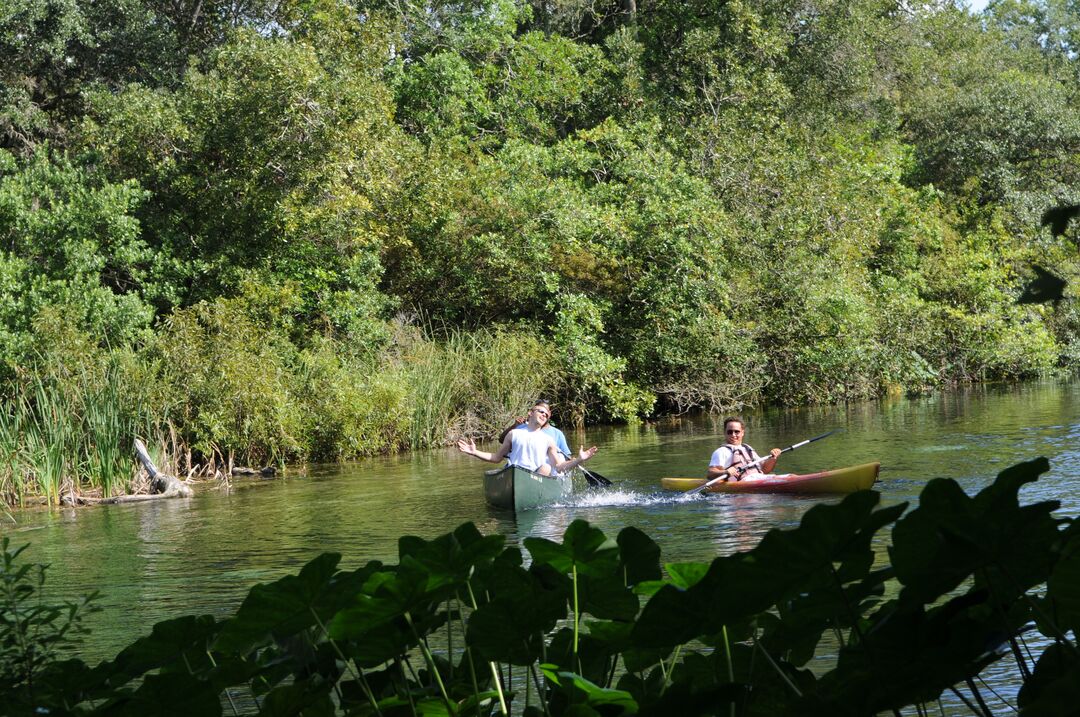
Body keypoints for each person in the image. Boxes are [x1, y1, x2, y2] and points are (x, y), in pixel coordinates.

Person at [458, 401, 598, 475]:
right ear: (530, 413)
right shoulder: (513, 434)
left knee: (545, 467)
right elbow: (496, 458)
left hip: (536, 477)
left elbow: (560, 467)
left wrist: (579, 459)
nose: (544, 415)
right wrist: (475, 452)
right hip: (515, 473)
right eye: (541, 412)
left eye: (546, 415)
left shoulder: (549, 440)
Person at [707, 417, 782, 482]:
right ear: (725, 433)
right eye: (730, 432)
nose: (733, 435)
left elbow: (765, 470)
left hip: (759, 478)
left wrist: (773, 458)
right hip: (743, 483)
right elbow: (710, 474)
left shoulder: (747, 449)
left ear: (742, 432)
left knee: (786, 477)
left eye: (737, 432)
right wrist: (725, 472)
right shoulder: (721, 452)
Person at [497, 399, 571, 461]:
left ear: (549, 414)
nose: (543, 414)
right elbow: (501, 440)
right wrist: (514, 426)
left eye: (545, 412)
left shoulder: (557, 434)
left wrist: (575, 461)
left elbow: (566, 457)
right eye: (540, 411)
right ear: (532, 413)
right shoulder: (520, 429)